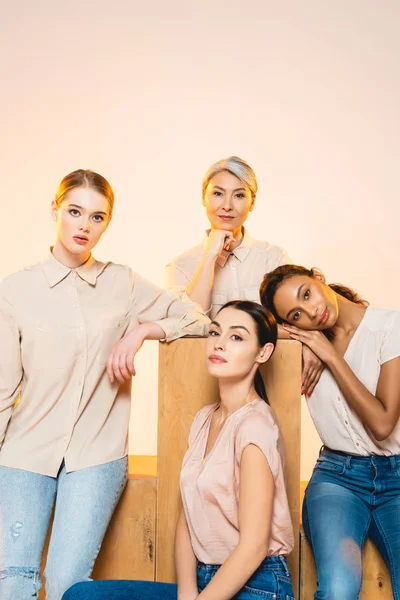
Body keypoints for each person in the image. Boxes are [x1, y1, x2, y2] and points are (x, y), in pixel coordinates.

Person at [0, 169, 209, 600]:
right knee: (13, 582)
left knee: (67, 587)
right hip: (24, 451)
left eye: (98, 217)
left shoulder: (123, 283)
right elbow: (2, 390)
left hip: (97, 455)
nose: (84, 225)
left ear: (107, 223)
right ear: (56, 210)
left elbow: (197, 318)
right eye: (75, 212)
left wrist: (141, 331)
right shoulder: (16, 290)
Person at [63, 301, 295, 600]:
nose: (220, 344)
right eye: (215, 333)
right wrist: (187, 591)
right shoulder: (204, 419)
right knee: (82, 595)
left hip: (259, 584)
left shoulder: (255, 426)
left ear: (263, 352)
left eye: (236, 337)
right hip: (204, 579)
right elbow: (189, 517)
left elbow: (253, 547)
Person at [260, 264, 400, 600]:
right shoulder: (304, 343)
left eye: (306, 293)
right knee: (338, 588)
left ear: (318, 278)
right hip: (339, 478)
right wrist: (300, 341)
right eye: (297, 314)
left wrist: (331, 357)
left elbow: (382, 424)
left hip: (396, 478)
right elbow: (241, 325)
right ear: (289, 325)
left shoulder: (389, 327)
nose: (312, 311)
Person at [166, 155, 322, 396]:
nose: (227, 205)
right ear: (203, 197)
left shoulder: (274, 259)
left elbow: (298, 320)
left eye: (239, 195)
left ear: (252, 202)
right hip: (198, 390)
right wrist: (209, 257)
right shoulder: (180, 267)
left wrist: (311, 342)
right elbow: (188, 326)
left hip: (274, 388)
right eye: (217, 193)